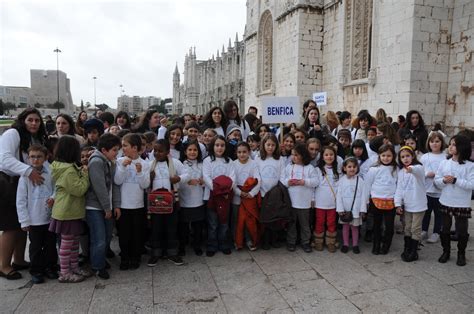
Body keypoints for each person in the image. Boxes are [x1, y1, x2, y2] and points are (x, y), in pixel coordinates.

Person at [0, 108, 48, 281]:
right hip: (7, 182)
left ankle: (18, 260)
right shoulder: (12, 133)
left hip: (23, 182)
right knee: (10, 226)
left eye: (37, 120)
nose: (34, 123)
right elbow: (4, 158)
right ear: (23, 120)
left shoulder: (33, 137)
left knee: (22, 225)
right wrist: (28, 171)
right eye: (30, 120)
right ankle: (4, 265)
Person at [49, 135, 91, 283]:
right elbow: (79, 189)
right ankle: (65, 272)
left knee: (73, 243)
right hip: (66, 212)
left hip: (70, 211)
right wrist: (85, 173)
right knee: (67, 244)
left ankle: (74, 268)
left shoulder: (65, 167)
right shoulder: (68, 170)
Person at [16, 144, 56, 284]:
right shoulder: (25, 177)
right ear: (28, 158)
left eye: (39, 157)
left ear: (46, 157)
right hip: (34, 219)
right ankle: (37, 270)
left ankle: (50, 267)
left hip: (49, 217)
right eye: (32, 157)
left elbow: (57, 187)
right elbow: (21, 200)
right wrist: (24, 220)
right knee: (35, 247)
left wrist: (54, 197)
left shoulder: (50, 172)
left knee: (51, 245)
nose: (35, 160)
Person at [85, 133, 122, 279]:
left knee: (107, 236)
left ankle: (99, 260)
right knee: (99, 239)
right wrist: (107, 208)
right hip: (95, 207)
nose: (116, 153)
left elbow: (114, 185)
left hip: (107, 207)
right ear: (104, 150)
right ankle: (97, 267)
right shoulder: (96, 162)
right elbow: (99, 187)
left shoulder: (110, 161)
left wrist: (116, 205)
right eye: (114, 150)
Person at [435, 134, 474, 266]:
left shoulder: (470, 166)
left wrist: (456, 180)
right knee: (444, 228)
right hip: (446, 200)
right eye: (450, 144)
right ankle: (446, 251)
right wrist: (444, 181)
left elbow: (472, 184)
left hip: (462, 203)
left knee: (462, 230)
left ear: (462, 147)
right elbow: (437, 181)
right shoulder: (444, 163)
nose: (450, 147)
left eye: (454, 144)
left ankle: (461, 253)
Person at [114, 133, 151, 270]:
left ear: (134, 148)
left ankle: (135, 258)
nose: (123, 148)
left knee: (137, 234)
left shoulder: (145, 164)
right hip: (123, 205)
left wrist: (140, 172)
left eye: (125, 146)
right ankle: (125, 258)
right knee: (123, 234)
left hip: (138, 205)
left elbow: (145, 185)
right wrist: (123, 167)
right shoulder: (119, 161)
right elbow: (117, 181)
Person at [147, 139, 185, 267]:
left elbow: (188, 174)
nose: (157, 153)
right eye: (155, 150)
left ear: (168, 152)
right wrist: (149, 178)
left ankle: (172, 253)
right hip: (155, 204)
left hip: (171, 202)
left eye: (160, 151)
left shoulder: (175, 163)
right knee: (156, 228)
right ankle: (156, 253)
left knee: (171, 228)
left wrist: (179, 178)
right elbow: (143, 183)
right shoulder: (150, 164)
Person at [281, 143, 317, 253]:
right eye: (292, 155)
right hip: (291, 202)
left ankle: (305, 242)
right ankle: (291, 241)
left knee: (305, 224)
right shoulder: (288, 167)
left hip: (304, 202)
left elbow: (316, 182)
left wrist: (304, 182)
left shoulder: (310, 168)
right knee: (292, 224)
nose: (293, 157)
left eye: (296, 155)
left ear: (303, 155)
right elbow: (282, 179)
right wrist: (288, 182)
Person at [203, 136, 235, 256]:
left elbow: (232, 178)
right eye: (217, 145)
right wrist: (218, 191)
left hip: (225, 198)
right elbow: (206, 177)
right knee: (212, 223)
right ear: (213, 146)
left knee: (224, 223)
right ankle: (212, 245)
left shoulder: (229, 161)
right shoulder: (207, 161)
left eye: (222, 145)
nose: (219, 148)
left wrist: (225, 192)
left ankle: (224, 244)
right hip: (212, 196)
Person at [363, 144, 398, 255]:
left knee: (389, 227)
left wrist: (399, 203)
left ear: (393, 156)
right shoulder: (374, 169)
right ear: (379, 156)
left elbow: (399, 186)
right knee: (376, 225)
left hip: (391, 202)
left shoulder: (396, 169)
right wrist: (365, 202)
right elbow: (367, 186)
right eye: (383, 155)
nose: (386, 158)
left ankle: (386, 246)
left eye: (388, 155)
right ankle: (376, 245)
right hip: (376, 201)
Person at [395, 146, 427, 262]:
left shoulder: (418, 168)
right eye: (402, 157)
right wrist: (398, 204)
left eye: (408, 156)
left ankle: (414, 251)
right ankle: (407, 248)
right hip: (407, 205)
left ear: (413, 156)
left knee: (415, 228)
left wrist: (411, 169)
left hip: (418, 205)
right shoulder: (401, 172)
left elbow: (417, 170)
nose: (405, 159)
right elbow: (399, 189)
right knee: (407, 227)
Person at [255, 134, 285, 249]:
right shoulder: (258, 159)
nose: (270, 147)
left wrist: (278, 189)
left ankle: (274, 239)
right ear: (263, 145)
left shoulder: (280, 159)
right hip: (263, 193)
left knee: (275, 218)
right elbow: (257, 175)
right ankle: (265, 240)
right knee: (265, 218)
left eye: (273, 145)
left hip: (275, 194)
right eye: (268, 144)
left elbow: (282, 175)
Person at [178, 140, 205, 256]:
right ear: (185, 151)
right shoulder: (181, 164)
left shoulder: (201, 164)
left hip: (198, 200)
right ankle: (182, 246)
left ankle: (197, 245)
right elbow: (178, 181)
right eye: (190, 150)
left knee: (197, 225)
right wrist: (188, 181)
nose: (192, 152)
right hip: (185, 200)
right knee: (183, 226)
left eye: (195, 150)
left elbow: (206, 179)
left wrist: (203, 181)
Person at [232, 142, 261, 250]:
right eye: (239, 152)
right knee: (237, 219)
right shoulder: (233, 164)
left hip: (249, 197)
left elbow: (258, 180)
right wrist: (239, 192)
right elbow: (232, 181)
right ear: (236, 153)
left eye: (244, 152)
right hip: (237, 196)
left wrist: (251, 193)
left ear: (249, 152)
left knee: (249, 220)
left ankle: (249, 240)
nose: (242, 154)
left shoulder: (253, 164)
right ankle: (237, 240)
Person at [420, 132, 447, 244]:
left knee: (438, 213)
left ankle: (436, 232)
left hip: (440, 191)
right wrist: (427, 174)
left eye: (437, 141)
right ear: (428, 143)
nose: (434, 144)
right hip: (427, 189)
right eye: (432, 141)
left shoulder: (445, 157)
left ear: (441, 142)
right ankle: (424, 230)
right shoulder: (425, 157)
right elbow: (420, 171)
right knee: (426, 212)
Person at [313, 146, 340, 252]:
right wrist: (312, 199)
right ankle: (318, 241)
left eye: (331, 154)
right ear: (322, 157)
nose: (329, 157)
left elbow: (339, 187)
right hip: (320, 202)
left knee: (331, 222)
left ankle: (331, 242)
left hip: (332, 203)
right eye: (326, 155)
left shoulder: (337, 170)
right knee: (319, 222)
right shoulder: (317, 170)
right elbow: (314, 187)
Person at [336, 157, 366, 254]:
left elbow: (363, 196)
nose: (352, 169)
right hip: (345, 209)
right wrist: (340, 209)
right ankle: (345, 244)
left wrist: (362, 209)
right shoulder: (341, 180)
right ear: (344, 168)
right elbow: (339, 195)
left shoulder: (360, 180)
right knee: (345, 227)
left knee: (355, 228)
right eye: (349, 167)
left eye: (354, 167)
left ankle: (355, 244)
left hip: (356, 209)